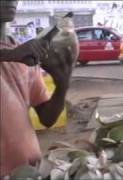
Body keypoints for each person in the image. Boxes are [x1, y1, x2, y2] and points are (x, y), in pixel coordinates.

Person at [0, 0, 74, 176]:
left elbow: (47, 118)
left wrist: (62, 84)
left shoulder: (25, 52)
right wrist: (8, 55)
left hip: (30, 171)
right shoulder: (19, 53)